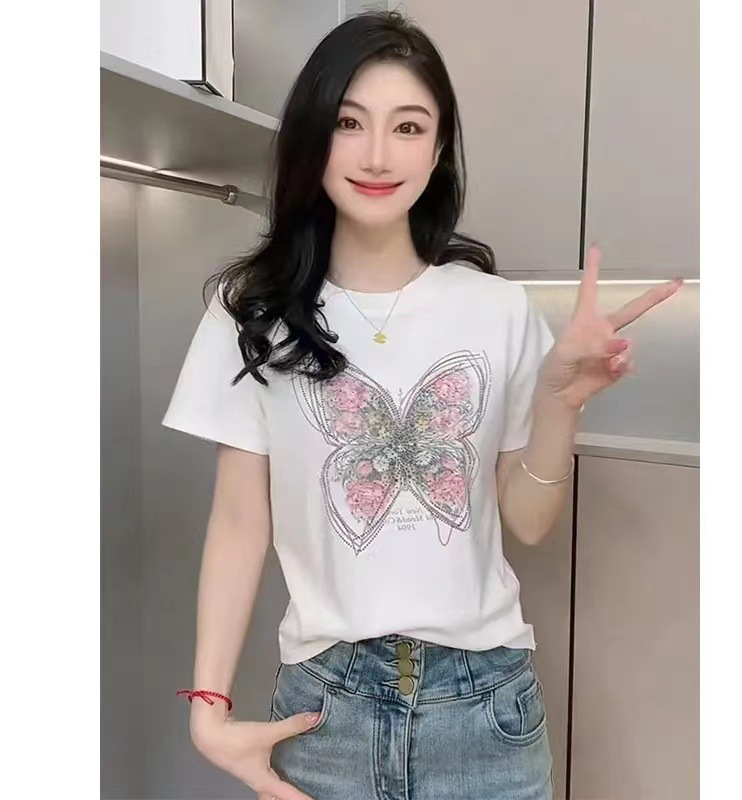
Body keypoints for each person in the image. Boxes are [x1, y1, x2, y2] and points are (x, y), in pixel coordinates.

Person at [162, 9, 682, 800]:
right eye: (350, 122)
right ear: (313, 137)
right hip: (325, 713)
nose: (378, 154)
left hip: (487, 711)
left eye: (408, 127)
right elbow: (240, 520)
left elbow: (529, 522)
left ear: (438, 151)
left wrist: (558, 405)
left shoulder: (496, 310)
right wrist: (208, 709)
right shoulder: (252, 311)